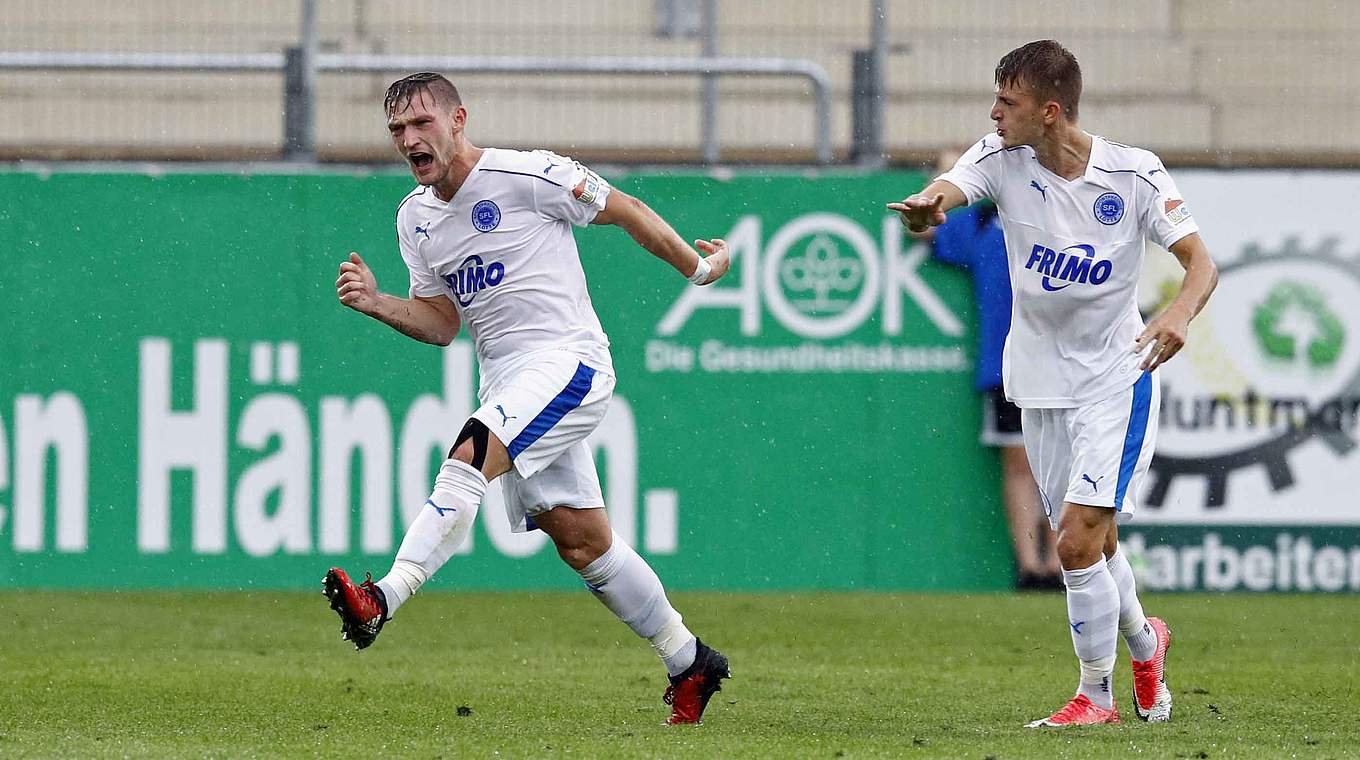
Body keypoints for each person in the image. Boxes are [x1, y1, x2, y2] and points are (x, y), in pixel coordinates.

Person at [324, 72, 732, 726]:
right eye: (397, 130)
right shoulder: (416, 219)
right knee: (579, 540)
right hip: (507, 379)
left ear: (459, 119)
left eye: (421, 123)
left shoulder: (529, 176)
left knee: (467, 456)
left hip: (568, 360)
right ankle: (691, 661)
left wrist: (700, 268)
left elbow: (626, 210)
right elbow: (441, 323)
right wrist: (377, 304)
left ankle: (383, 599)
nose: (409, 140)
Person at [888, 41, 1217, 727]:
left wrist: (1179, 314)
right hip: (1037, 382)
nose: (993, 112)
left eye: (1007, 102)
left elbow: (1200, 263)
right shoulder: (1000, 158)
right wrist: (928, 205)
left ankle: (1094, 698)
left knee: (1072, 543)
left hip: (1115, 376)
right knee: (1095, 546)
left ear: (1050, 110)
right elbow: (952, 188)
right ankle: (1145, 641)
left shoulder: (1135, 174)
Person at [911, 148, 1061, 591]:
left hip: (1060, 360)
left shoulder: (1051, 214)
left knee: (1061, 464)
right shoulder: (980, 223)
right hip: (1005, 364)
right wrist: (945, 178)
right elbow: (925, 231)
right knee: (1020, 463)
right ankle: (1030, 566)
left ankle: (1062, 563)